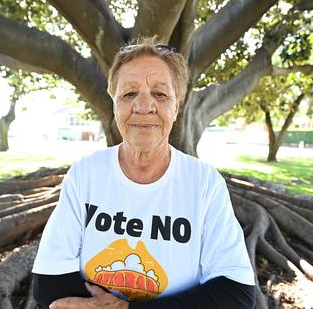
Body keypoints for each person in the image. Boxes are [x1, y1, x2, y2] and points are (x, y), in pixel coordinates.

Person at [31, 37, 255, 309]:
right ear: (114, 103)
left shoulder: (205, 183)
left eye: (160, 94)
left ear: (177, 105)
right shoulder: (86, 174)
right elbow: (48, 284)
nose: (144, 106)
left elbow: (235, 294)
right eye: (129, 94)